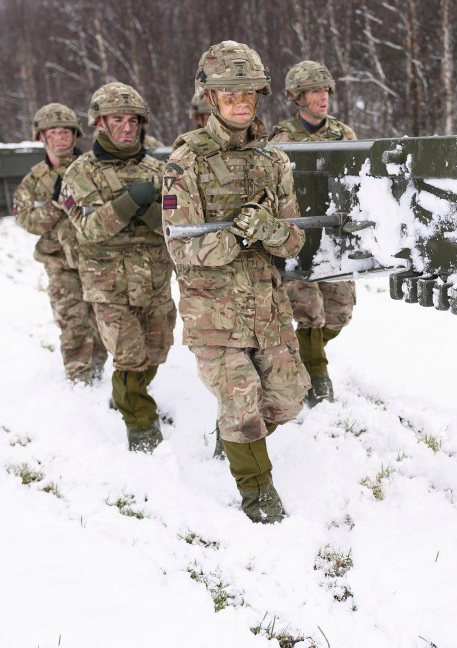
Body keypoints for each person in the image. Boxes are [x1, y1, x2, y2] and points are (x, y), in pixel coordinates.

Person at [163, 41, 310, 524]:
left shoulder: (275, 161)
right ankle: (257, 490)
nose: (241, 102)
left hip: (267, 308)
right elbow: (182, 250)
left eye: (249, 92)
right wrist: (239, 236)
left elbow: (293, 242)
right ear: (212, 98)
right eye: (230, 94)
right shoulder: (185, 164)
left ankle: (231, 430)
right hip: (214, 314)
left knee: (288, 400)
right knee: (244, 404)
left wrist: (270, 231)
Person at [60, 82, 175, 453]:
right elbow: (90, 229)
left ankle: (130, 392)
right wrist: (129, 204)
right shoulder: (80, 173)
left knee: (157, 350)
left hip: (155, 281)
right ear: (100, 124)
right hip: (108, 285)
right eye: (117, 120)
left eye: (133, 120)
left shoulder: (160, 169)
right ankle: (141, 426)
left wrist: (151, 212)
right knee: (128, 356)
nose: (127, 127)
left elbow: (178, 225)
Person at [269, 60, 357, 406]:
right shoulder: (282, 138)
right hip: (299, 237)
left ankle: (302, 353)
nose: (323, 97)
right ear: (297, 97)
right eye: (314, 91)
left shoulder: (342, 134)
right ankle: (316, 376)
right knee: (308, 312)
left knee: (340, 313)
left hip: (334, 237)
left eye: (325, 90)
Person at [13, 103, 108, 384]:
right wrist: (55, 206)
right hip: (59, 264)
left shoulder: (92, 168)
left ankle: (99, 371)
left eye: (66, 131)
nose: (61, 137)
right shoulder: (34, 180)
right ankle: (79, 378)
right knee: (72, 322)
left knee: (101, 320)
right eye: (54, 132)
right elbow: (25, 219)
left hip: (96, 258)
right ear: (41, 137)